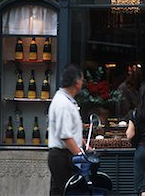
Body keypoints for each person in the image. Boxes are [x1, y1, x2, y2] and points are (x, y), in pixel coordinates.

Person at [47, 64, 85, 196]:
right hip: (63, 156)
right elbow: (65, 136)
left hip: (63, 155)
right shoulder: (62, 104)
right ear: (77, 82)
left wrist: (84, 143)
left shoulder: (67, 101)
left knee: (59, 192)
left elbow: (71, 131)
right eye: (81, 79)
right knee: (69, 191)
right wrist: (81, 155)